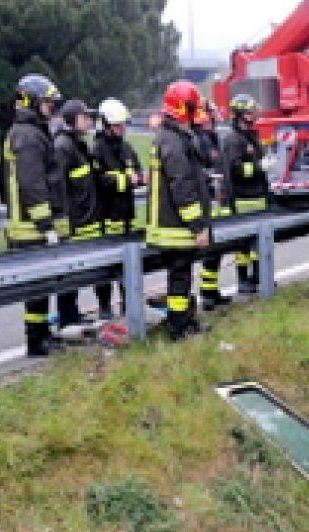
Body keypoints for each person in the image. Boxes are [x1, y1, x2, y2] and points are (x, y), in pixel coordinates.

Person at [4, 74, 63, 356]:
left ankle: (40, 336)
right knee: (36, 290)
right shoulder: (27, 136)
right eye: (47, 103)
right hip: (31, 228)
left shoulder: (31, 131)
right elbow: (32, 183)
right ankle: (36, 341)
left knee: (40, 289)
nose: (51, 108)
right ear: (31, 101)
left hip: (33, 227)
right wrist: (45, 224)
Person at [147, 80, 211, 340]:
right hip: (176, 226)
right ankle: (179, 328)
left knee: (182, 277)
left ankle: (183, 322)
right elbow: (181, 186)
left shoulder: (175, 136)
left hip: (175, 223)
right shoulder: (172, 140)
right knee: (180, 278)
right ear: (184, 108)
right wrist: (197, 225)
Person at [92, 98, 145, 319]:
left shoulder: (127, 148)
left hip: (126, 215)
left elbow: (138, 173)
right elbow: (99, 181)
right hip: (107, 216)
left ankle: (128, 304)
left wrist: (142, 179)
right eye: (117, 125)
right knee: (106, 267)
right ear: (105, 125)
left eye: (123, 125)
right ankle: (104, 306)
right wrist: (127, 180)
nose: (122, 129)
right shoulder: (97, 150)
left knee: (129, 264)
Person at [52, 99, 102, 327]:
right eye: (84, 117)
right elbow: (58, 186)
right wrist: (62, 222)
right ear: (72, 120)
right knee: (70, 274)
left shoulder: (79, 145)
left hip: (85, 220)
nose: (89, 121)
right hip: (74, 221)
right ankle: (67, 318)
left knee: (77, 274)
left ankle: (72, 315)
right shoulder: (63, 147)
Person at [220, 93, 270, 295]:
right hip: (243, 199)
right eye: (250, 112)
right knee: (243, 247)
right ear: (240, 115)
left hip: (258, 197)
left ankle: (258, 277)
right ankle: (243, 281)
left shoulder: (251, 135)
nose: (254, 115)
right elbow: (235, 169)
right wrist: (259, 167)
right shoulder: (233, 139)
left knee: (258, 244)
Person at [192, 100, 233, 312]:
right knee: (209, 251)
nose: (215, 117)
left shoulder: (212, 137)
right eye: (211, 114)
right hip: (207, 201)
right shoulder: (198, 140)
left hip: (218, 201)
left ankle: (211, 291)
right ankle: (206, 294)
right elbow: (200, 170)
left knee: (216, 251)